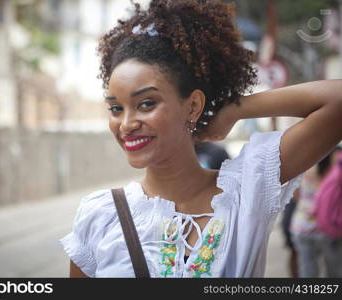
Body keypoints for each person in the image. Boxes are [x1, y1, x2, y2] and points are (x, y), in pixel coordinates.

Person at [60, 0, 342, 278]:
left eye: (146, 103)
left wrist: (235, 110)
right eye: (116, 108)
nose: (126, 124)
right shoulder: (100, 215)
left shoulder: (248, 189)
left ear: (193, 105)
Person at [290, 147, 342, 277]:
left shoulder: (304, 165)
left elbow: (295, 194)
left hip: (300, 225)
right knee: (334, 271)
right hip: (327, 226)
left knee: (307, 270)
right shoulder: (336, 165)